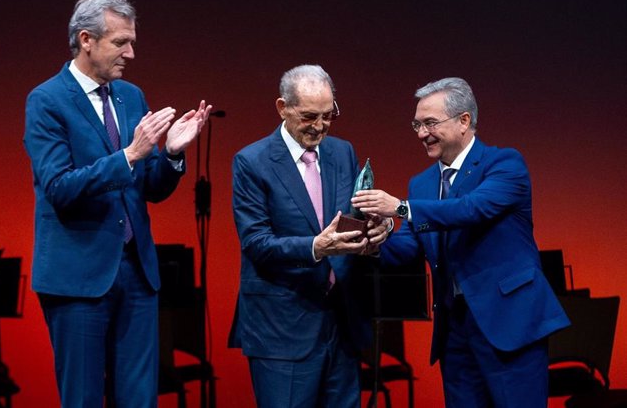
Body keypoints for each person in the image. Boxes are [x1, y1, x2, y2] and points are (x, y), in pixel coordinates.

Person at [23, 0, 211, 407]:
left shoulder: (131, 96)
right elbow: (60, 188)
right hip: (78, 279)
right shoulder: (47, 101)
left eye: (132, 42)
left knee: (140, 398)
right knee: (84, 398)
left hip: (136, 275)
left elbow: (149, 188)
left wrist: (174, 155)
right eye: (120, 42)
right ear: (86, 39)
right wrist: (129, 155)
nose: (131, 53)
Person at [351, 77, 570, 408]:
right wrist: (374, 241)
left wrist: (399, 208)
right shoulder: (422, 183)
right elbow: (410, 246)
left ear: (464, 120)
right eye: (417, 124)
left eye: (430, 123)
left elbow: (471, 209)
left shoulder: (504, 163)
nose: (422, 133)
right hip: (455, 330)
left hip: (508, 323)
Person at [228, 64, 391, 408]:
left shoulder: (341, 152)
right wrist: (316, 248)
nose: (319, 126)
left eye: (328, 115)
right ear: (282, 107)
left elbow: (353, 219)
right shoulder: (252, 162)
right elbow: (256, 243)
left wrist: (378, 230)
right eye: (309, 117)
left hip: (341, 323)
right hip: (282, 328)